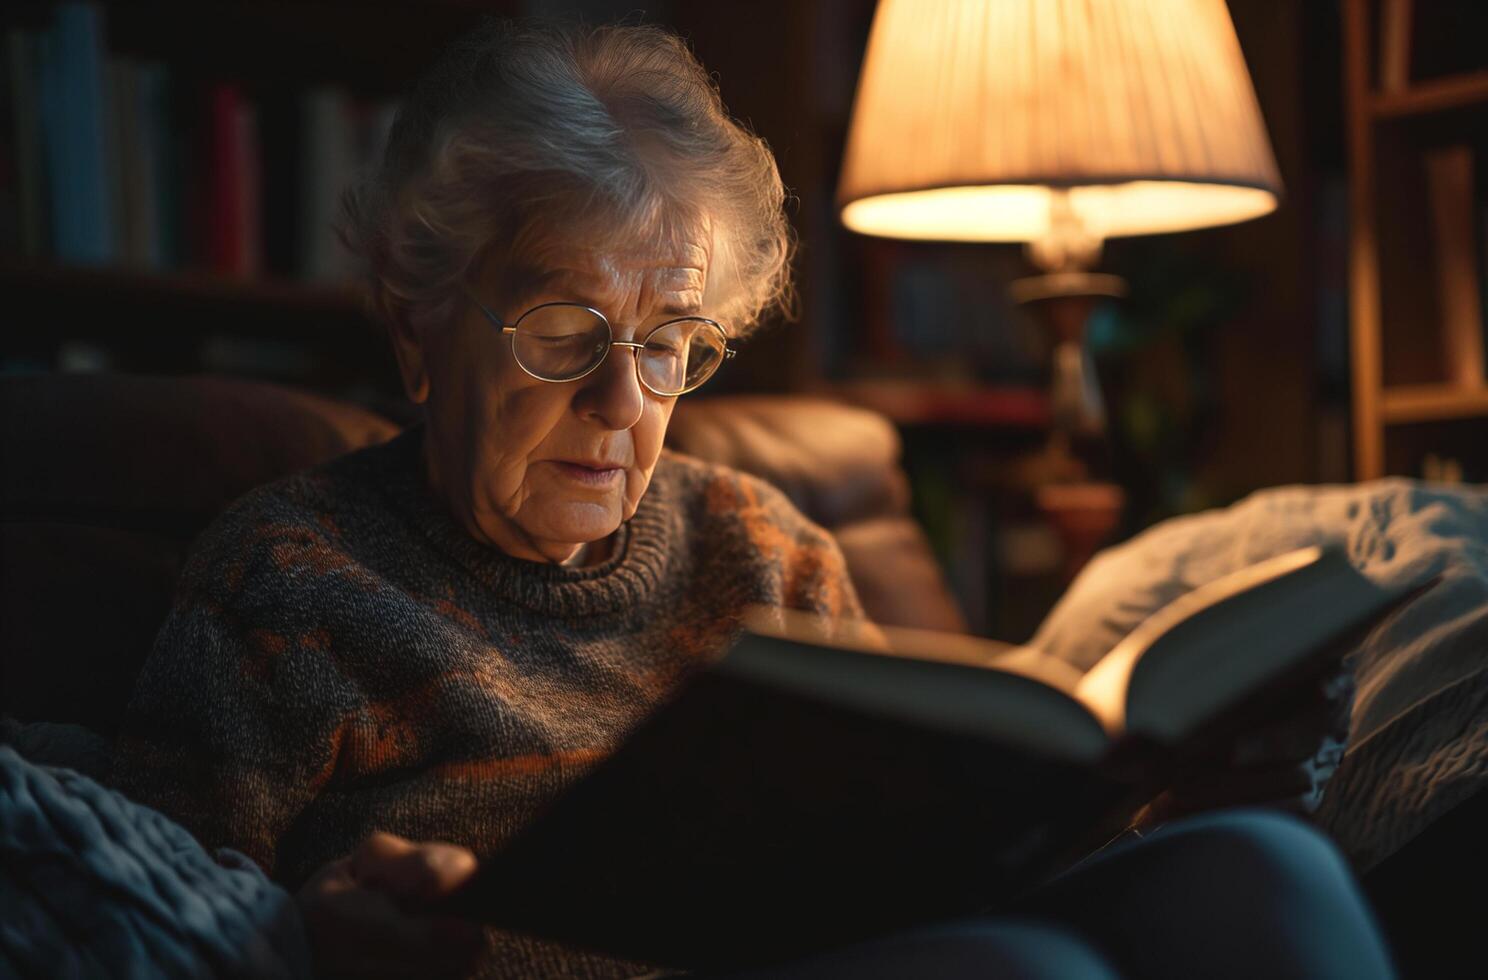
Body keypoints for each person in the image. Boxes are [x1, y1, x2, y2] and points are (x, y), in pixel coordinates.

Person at [105, 18, 1394, 980]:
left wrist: (1185, 792)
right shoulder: (288, 581)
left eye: (669, 337)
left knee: (1260, 867)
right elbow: (139, 910)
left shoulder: (763, 544)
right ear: (418, 332)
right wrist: (314, 938)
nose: (624, 403)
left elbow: (925, 865)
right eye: (564, 328)